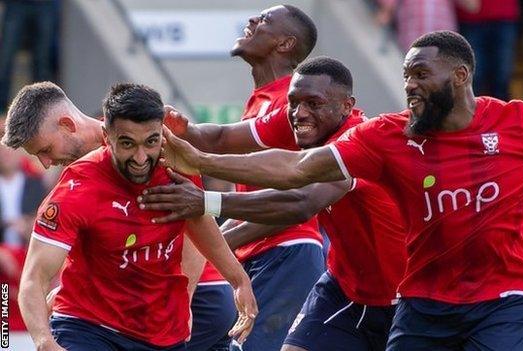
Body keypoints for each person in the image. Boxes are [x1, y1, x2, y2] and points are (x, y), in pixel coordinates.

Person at [160, 31, 523, 348]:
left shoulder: (517, 122)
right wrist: (199, 161)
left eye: (421, 74)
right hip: (417, 297)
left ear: (460, 76)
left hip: (501, 298)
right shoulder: (387, 136)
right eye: (406, 76)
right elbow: (300, 169)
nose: (410, 86)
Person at [139, 57, 407, 351]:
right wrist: (178, 132)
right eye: (293, 102)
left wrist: (207, 201)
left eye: (313, 104)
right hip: (343, 286)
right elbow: (222, 138)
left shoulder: (357, 141)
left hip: (397, 292)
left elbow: (300, 202)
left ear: (346, 105)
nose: (299, 112)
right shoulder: (296, 119)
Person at [16, 83, 257, 351]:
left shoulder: (173, 161)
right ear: (108, 137)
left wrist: (237, 279)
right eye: (128, 144)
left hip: (180, 306)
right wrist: (44, 342)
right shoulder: (74, 189)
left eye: (45, 150)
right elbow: (34, 276)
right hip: (91, 326)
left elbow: (197, 221)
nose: (141, 157)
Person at [162, 5, 323, 350]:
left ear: (285, 43)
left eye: (264, 20)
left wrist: (213, 248)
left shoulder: (291, 103)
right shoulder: (261, 102)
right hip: (259, 257)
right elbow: (216, 140)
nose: (252, 21)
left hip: (288, 252)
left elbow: (298, 204)